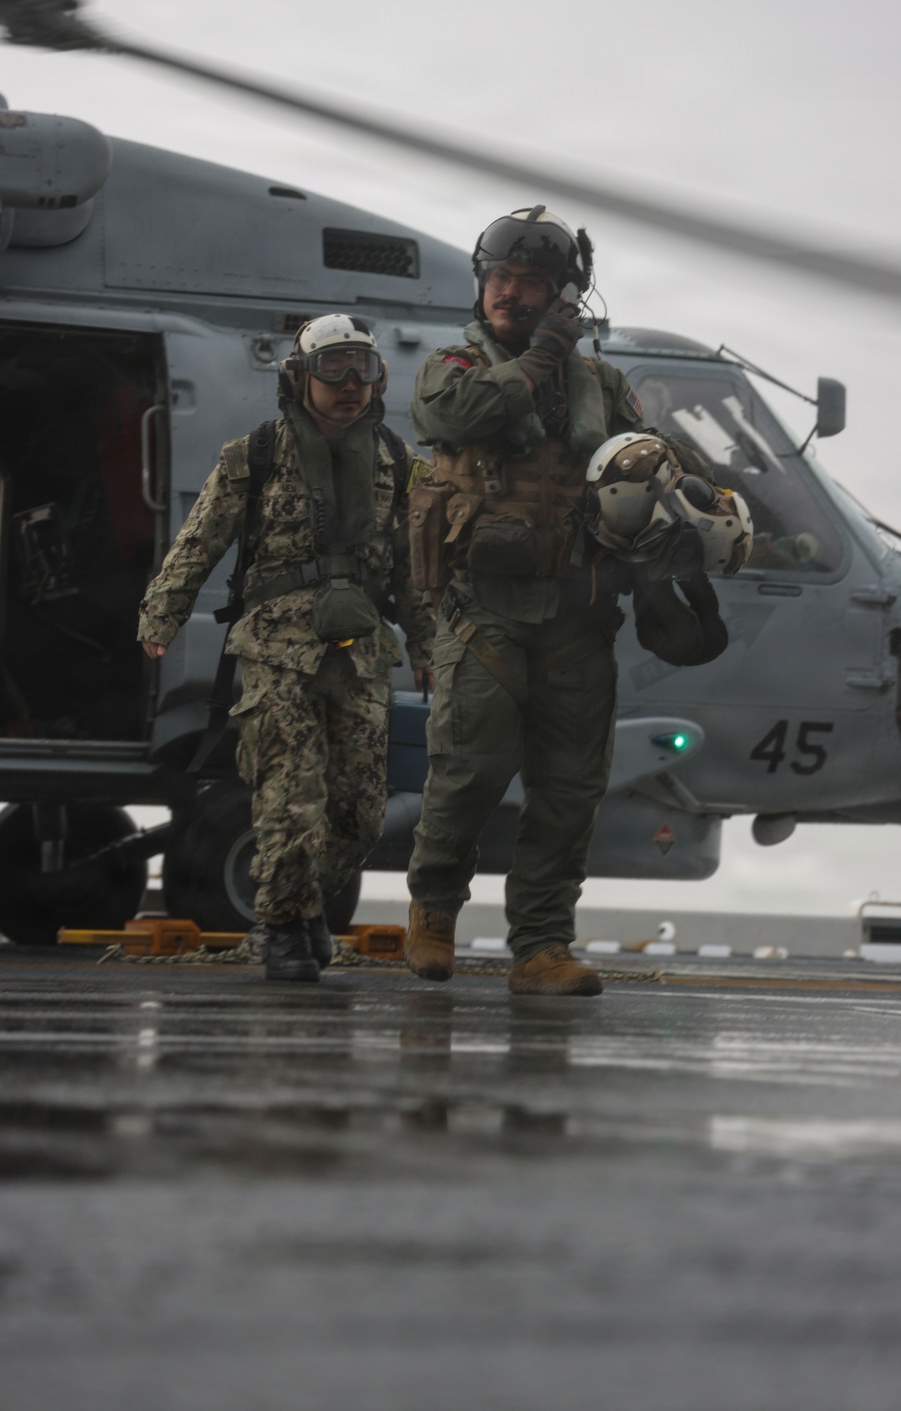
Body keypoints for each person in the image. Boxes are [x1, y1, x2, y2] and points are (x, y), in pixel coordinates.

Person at [138, 315, 436, 982]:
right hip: (277, 651)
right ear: (300, 377)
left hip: (360, 654)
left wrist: (425, 645)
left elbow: (413, 569)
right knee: (291, 799)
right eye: (333, 368)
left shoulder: (396, 462)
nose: (350, 383)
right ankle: (280, 927)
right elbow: (199, 541)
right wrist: (162, 614)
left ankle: (303, 907)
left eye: (363, 368)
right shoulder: (256, 455)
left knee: (360, 814)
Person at [403, 205, 647, 997]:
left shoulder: (602, 386)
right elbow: (449, 415)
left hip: (577, 613)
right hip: (484, 608)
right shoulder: (453, 367)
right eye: (499, 278)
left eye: (530, 281)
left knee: (570, 787)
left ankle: (541, 944)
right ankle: (434, 910)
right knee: (470, 769)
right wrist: (539, 358)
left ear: (563, 294)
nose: (509, 292)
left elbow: (646, 463)